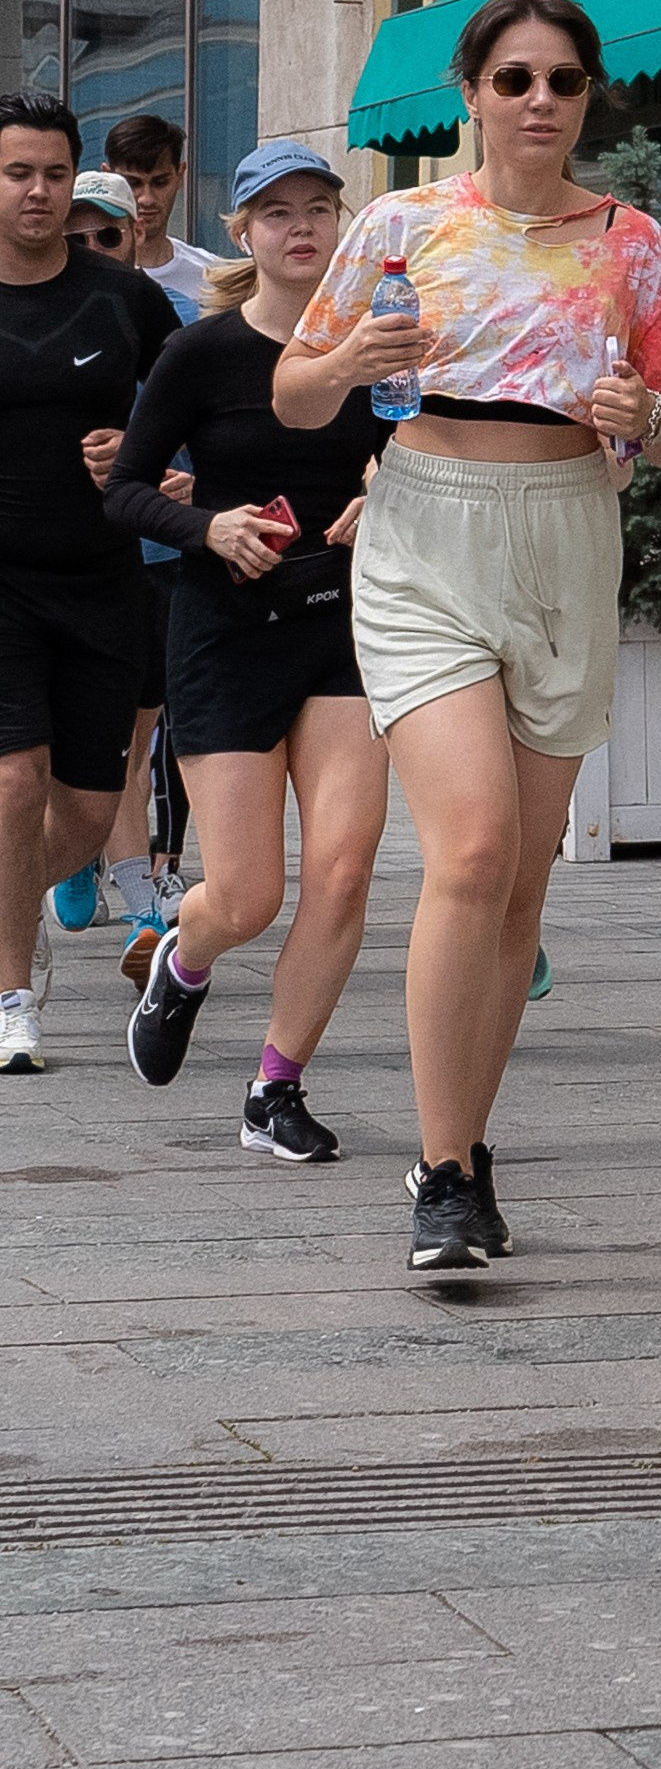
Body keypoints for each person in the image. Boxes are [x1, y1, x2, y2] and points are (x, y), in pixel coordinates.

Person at [275, 0, 661, 1270]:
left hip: (571, 530)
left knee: (520, 880)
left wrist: (648, 414)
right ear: (471, 91)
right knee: (469, 850)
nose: (541, 101)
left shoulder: (635, 247)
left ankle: (467, 1145)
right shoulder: (402, 227)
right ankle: (439, 1171)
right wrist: (357, 353)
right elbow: (298, 398)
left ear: (591, 98)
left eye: (566, 81)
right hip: (425, 532)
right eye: (515, 77)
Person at [108, 145, 387, 1161]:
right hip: (224, 633)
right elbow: (127, 486)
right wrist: (210, 527)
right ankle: (185, 957)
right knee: (247, 895)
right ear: (244, 233)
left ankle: (275, 1087)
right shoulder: (202, 352)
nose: (300, 226)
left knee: (346, 873)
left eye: (319, 207)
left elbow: (421, 457)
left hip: (342, 626)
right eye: (277, 212)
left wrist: (382, 490)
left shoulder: (373, 347)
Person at [0, 98, 178, 1072]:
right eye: (17, 172)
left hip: (103, 580)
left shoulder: (119, 299)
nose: (37, 191)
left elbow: (192, 396)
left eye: (53, 173)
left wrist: (143, 456)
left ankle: (4, 911)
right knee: (12, 777)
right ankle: (11, 995)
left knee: (79, 808)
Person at [50, 171, 204, 986]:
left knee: (139, 740)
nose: (91, 251)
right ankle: (73, 850)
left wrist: (182, 482)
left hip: (159, 557)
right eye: (76, 238)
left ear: (136, 237)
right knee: (70, 752)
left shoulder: (167, 320)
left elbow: (212, 432)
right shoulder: (34, 316)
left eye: (106, 236)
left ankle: (139, 904)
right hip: (59, 564)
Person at [106, 112, 213, 312]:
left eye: (160, 182)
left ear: (180, 175)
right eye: (133, 183)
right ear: (108, 178)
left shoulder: (213, 276)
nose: (147, 199)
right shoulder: (83, 273)